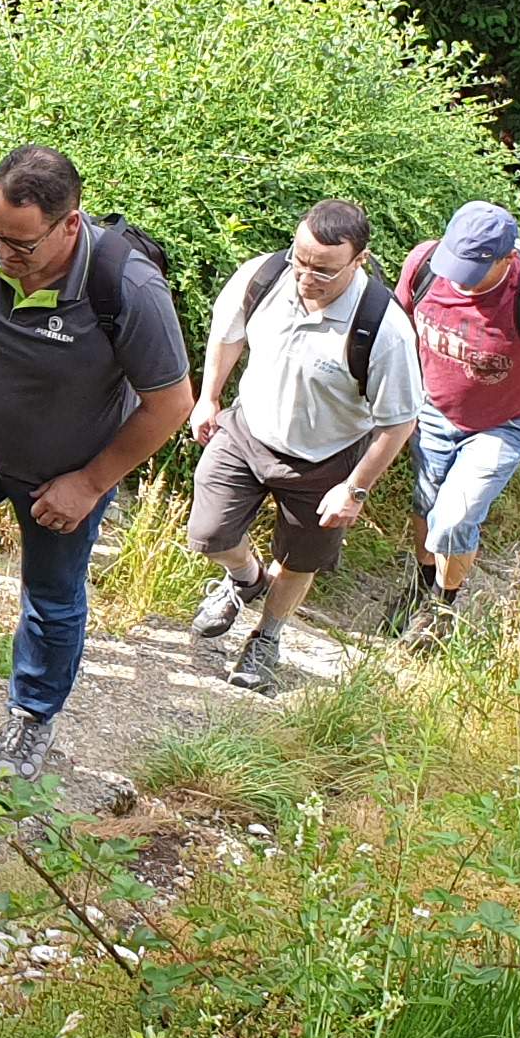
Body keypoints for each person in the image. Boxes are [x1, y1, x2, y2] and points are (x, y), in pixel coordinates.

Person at [0, 144, 195, 777]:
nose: (4, 256)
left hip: (67, 468)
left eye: (22, 246)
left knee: (50, 599)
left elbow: (171, 404)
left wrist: (90, 481)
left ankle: (31, 717)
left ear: (71, 224)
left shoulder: (126, 286)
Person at [187, 200, 425, 693]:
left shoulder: (383, 328)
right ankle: (245, 580)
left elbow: (399, 422)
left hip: (325, 459)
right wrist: (209, 398)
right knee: (209, 533)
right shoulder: (264, 276)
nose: (306, 276)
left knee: (299, 560)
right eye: (301, 259)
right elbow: (227, 333)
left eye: (323, 269)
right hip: (248, 431)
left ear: (359, 260)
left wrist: (355, 489)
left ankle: (267, 639)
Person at [392, 200, 520, 646]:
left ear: (508, 258)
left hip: (504, 424)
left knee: (455, 517)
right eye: (456, 262)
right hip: (432, 409)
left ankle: (442, 610)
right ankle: (422, 588)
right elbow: (400, 328)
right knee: (427, 505)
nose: (457, 278)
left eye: (472, 269)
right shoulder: (425, 264)